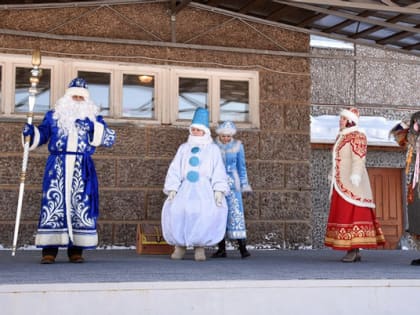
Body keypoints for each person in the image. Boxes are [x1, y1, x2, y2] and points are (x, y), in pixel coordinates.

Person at [22, 77, 116, 264]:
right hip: (58, 164)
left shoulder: (93, 118)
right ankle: (49, 251)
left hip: (82, 167)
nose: (78, 100)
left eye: (81, 98)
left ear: (87, 100)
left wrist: (93, 128)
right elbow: (43, 135)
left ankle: (76, 250)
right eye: (75, 96)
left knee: (79, 206)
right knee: (53, 205)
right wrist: (31, 133)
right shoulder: (54, 116)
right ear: (67, 97)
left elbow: (109, 139)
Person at [161, 107, 229, 261]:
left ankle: (200, 247)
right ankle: (180, 246)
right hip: (185, 188)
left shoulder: (213, 150)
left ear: (205, 131)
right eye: (194, 129)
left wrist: (218, 190)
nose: (196, 132)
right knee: (179, 212)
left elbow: (218, 170)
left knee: (202, 214)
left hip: (203, 189)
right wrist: (172, 187)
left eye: (199, 130)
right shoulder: (184, 149)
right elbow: (175, 168)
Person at [324, 107, 385, 262]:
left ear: (351, 121)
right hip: (341, 182)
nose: (340, 121)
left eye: (343, 119)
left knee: (352, 213)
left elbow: (359, 157)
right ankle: (353, 250)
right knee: (344, 213)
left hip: (352, 183)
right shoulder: (341, 137)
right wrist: (333, 173)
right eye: (341, 118)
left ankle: (354, 249)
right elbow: (337, 158)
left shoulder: (357, 136)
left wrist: (356, 174)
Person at [211, 121, 252, 258]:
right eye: (223, 136)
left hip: (233, 184)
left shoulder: (238, 146)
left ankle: (242, 248)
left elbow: (242, 166)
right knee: (218, 214)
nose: (226, 138)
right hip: (217, 183)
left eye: (228, 136)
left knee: (236, 213)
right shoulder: (213, 146)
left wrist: (244, 183)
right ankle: (221, 249)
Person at [390, 111, 420, 265]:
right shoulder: (415, 127)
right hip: (417, 179)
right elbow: (398, 135)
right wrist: (406, 125)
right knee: (416, 214)